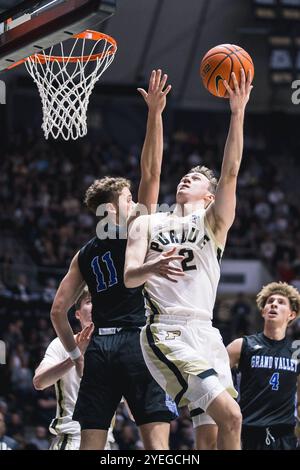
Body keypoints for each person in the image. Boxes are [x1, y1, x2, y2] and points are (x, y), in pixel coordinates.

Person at [124, 69, 253, 450]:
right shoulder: (147, 221)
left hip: (207, 333)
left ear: (209, 196)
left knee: (211, 435)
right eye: (184, 177)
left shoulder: (213, 223)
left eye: (195, 179)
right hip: (167, 330)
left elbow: (230, 171)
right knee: (233, 415)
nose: (185, 179)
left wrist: (237, 113)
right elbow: (130, 276)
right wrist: (152, 266)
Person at [50, 70, 177, 451]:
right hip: (139, 341)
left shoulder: (84, 252)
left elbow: (58, 309)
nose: (135, 201)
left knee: (92, 446)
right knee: (156, 446)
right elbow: (152, 171)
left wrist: (75, 353)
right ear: (121, 204)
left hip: (100, 350)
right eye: (129, 197)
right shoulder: (135, 228)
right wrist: (155, 113)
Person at [33, 287, 115, 450]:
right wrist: (75, 356)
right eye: (89, 301)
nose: (95, 305)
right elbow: (39, 382)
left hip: (105, 442)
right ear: (78, 314)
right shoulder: (61, 344)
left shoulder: (116, 347)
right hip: (72, 439)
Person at [227, 282, 300, 450]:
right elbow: (214, 383)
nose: (274, 304)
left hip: (284, 436)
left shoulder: (297, 349)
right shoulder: (242, 345)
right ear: (263, 311)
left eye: (281, 302)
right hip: (247, 433)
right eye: (270, 301)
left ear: (291, 315)